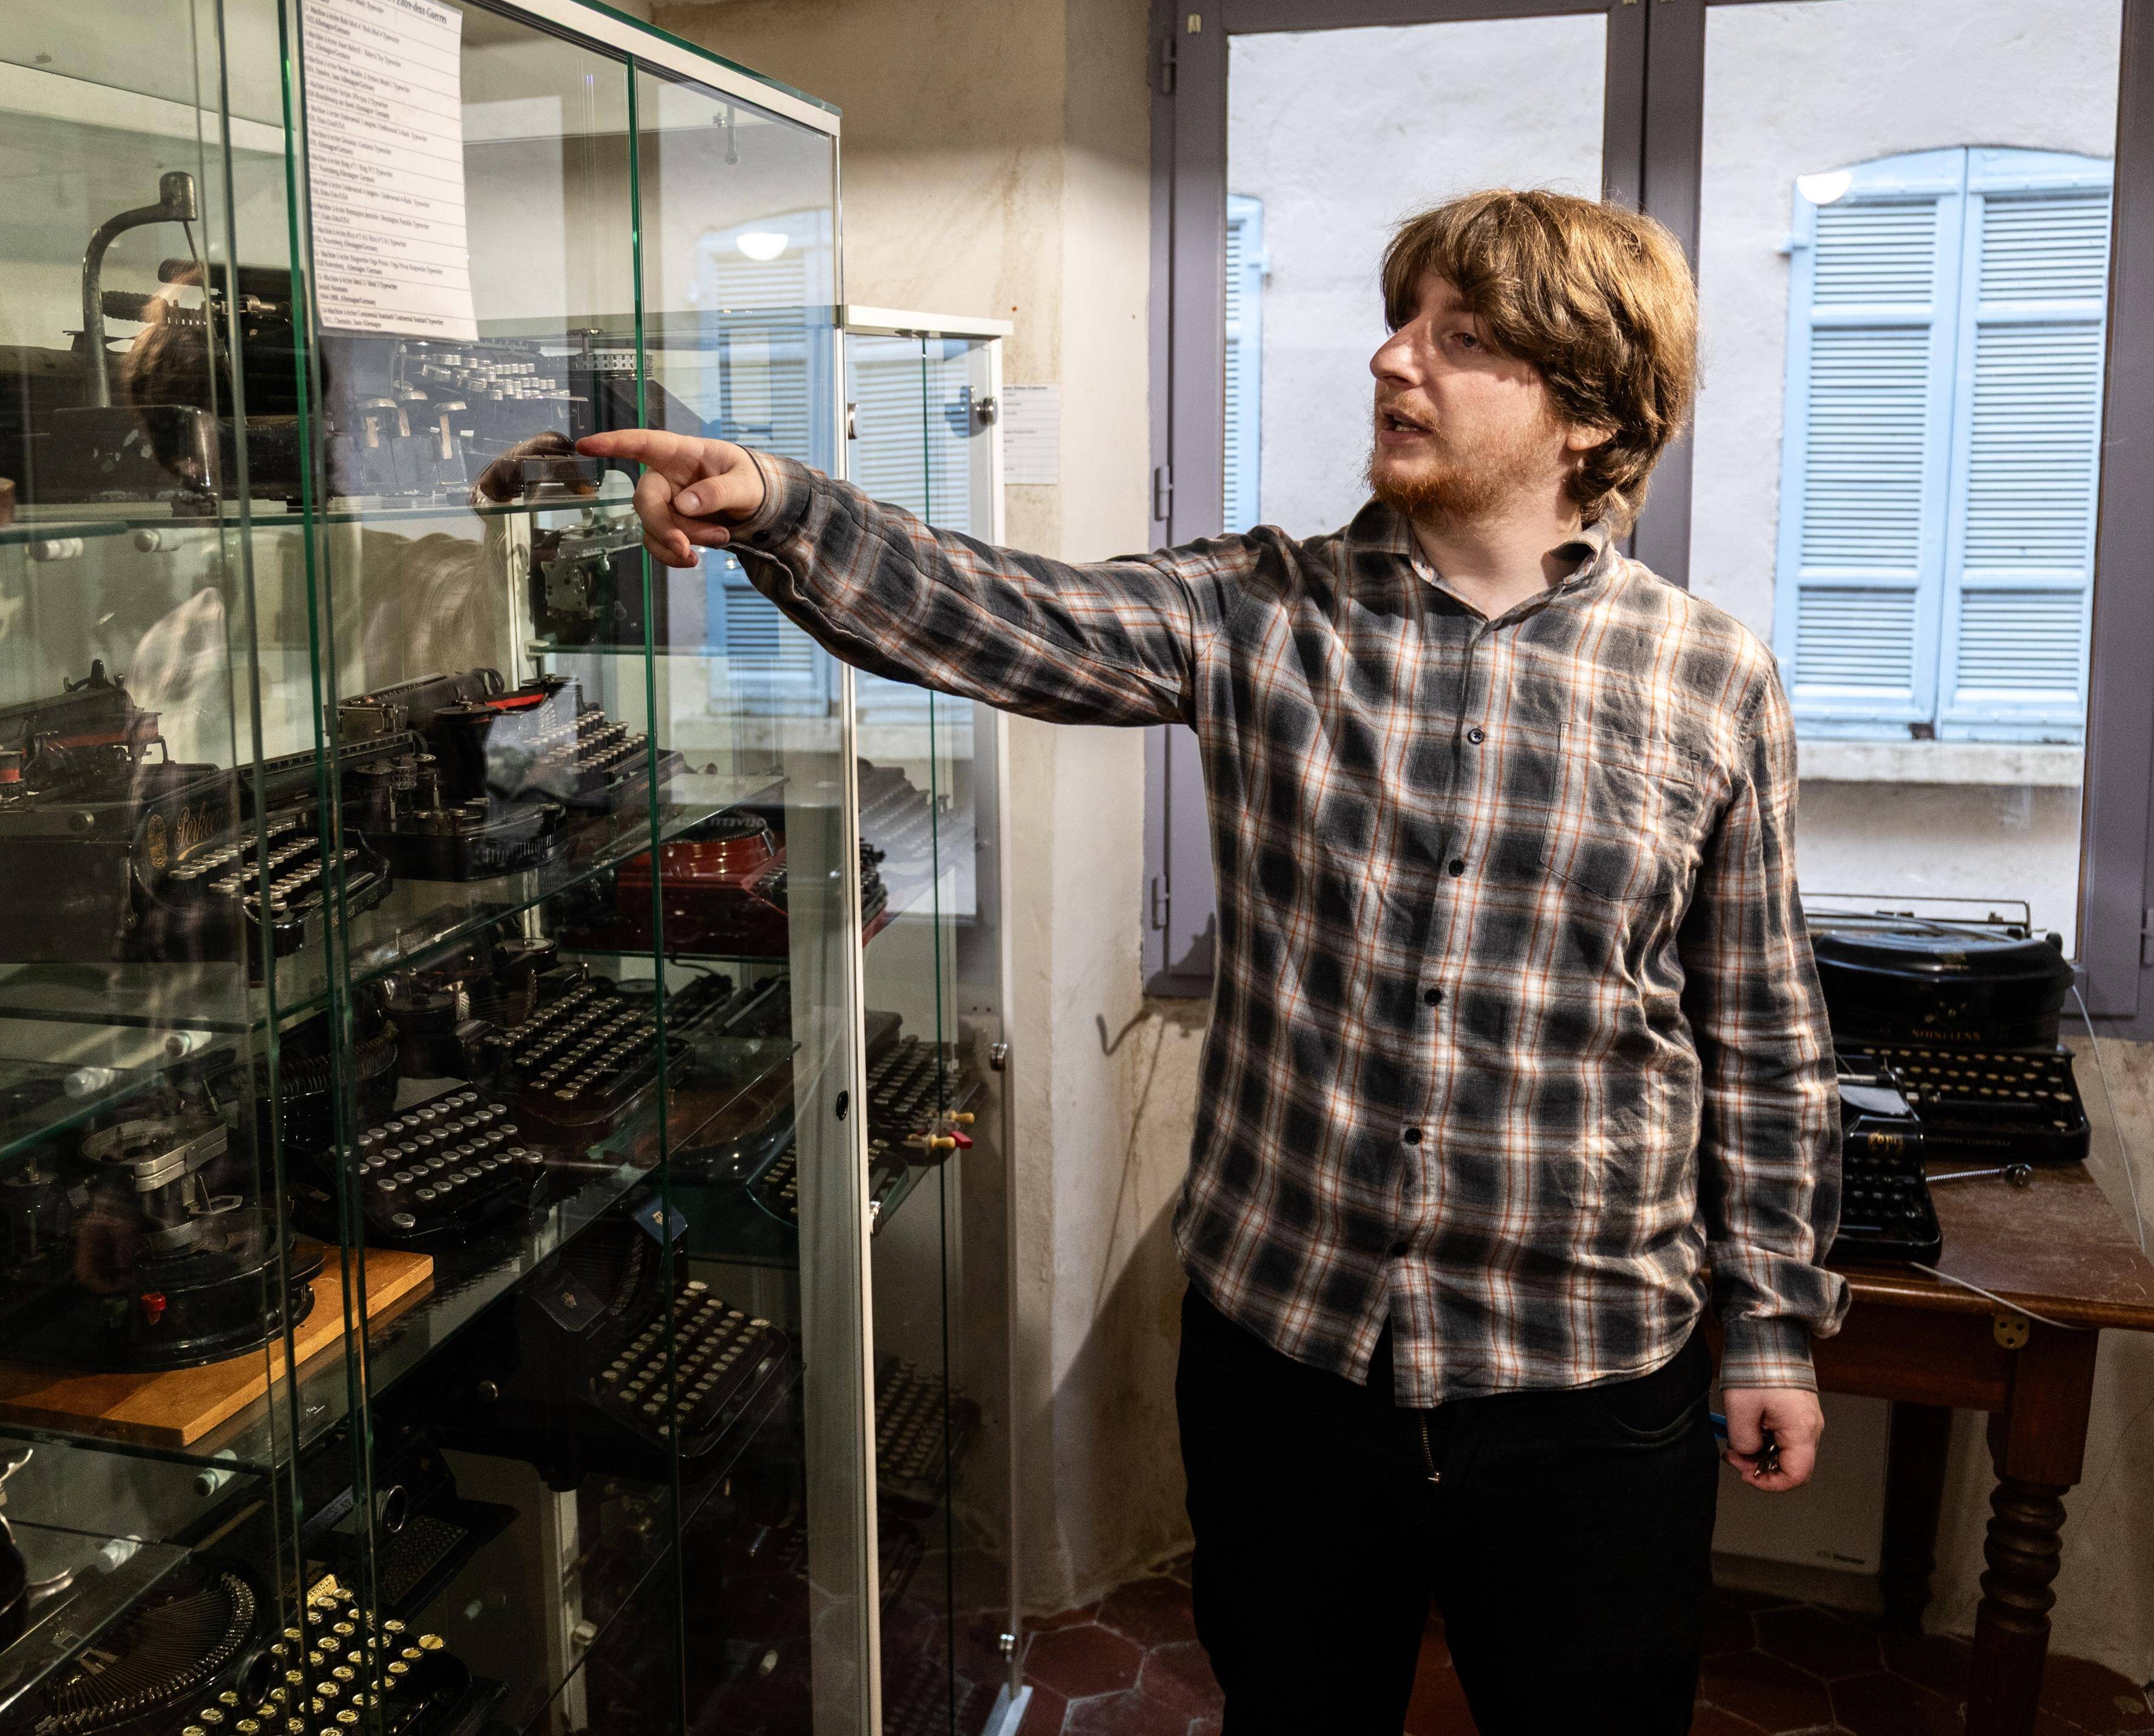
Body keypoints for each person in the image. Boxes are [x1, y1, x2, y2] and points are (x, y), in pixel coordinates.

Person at [582, 188, 1846, 1736]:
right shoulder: (1262, 610)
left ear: (1589, 409)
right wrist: (777, 498)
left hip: (1589, 1376)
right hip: (1295, 1357)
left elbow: (1764, 1032)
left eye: (1463, 341)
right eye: (1403, 322)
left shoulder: (1710, 677)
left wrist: (1773, 1321)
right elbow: (1002, 611)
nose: (1394, 361)